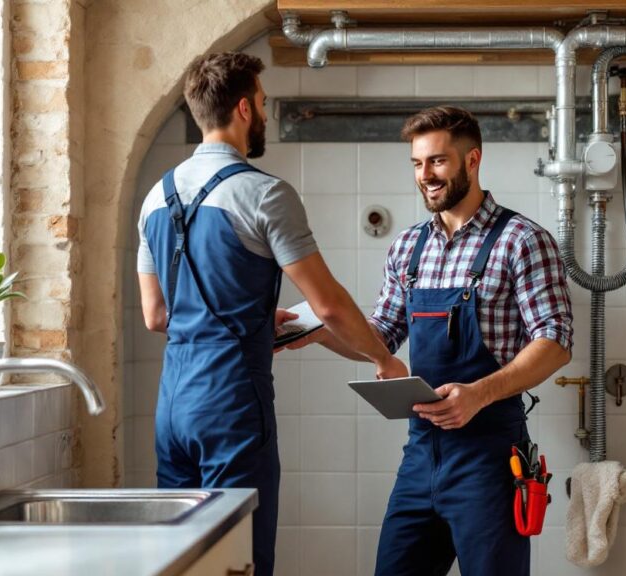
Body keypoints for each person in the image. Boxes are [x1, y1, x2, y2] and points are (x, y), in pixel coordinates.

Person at [135, 52, 407, 576]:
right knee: (240, 560)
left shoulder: (154, 198)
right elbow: (328, 304)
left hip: (173, 403)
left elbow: (155, 315)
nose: (262, 113)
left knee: (182, 561)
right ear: (242, 108)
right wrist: (382, 359)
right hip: (232, 399)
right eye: (261, 103)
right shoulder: (264, 194)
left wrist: (250, 316)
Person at [289, 106, 573, 575]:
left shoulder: (522, 240)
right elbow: (379, 336)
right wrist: (317, 331)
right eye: (418, 164)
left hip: (489, 458)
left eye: (438, 161)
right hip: (421, 455)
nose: (426, 176)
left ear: (473, 160)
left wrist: (478, 394)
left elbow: (556, 339)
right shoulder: (408, 246)